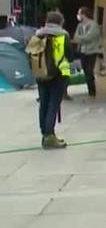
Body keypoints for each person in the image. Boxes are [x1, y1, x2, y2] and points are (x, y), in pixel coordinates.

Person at [31, 12, 72, 149]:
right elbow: (69, 55)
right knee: (53, 104)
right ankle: (50, 136)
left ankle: (45, 134)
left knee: (44, 104)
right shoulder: (63, 35)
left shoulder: (37, 34)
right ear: (60, 22)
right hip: (57, 74)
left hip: (41, 74)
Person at [72, 6, 102, 100]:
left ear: (84, 15)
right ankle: (90, 92)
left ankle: (92, 93)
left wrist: (81, 39)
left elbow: (89, 38)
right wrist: (81, 39)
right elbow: (75, 37)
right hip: (82, 51)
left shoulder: (93, 25)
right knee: (85, 71)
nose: (78, 16)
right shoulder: (79, 26)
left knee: (89, 72)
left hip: (91, 51)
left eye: (79, 13)